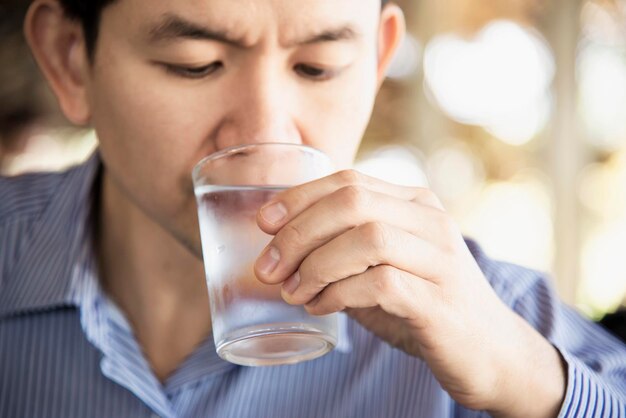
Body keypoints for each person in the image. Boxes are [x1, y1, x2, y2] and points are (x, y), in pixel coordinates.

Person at [0, 0, 624, 416]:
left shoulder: (494, 318)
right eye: (196, 65)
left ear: (378, 61)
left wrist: (530, 383)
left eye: (318, 67)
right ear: (69, 59)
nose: (269, 137)